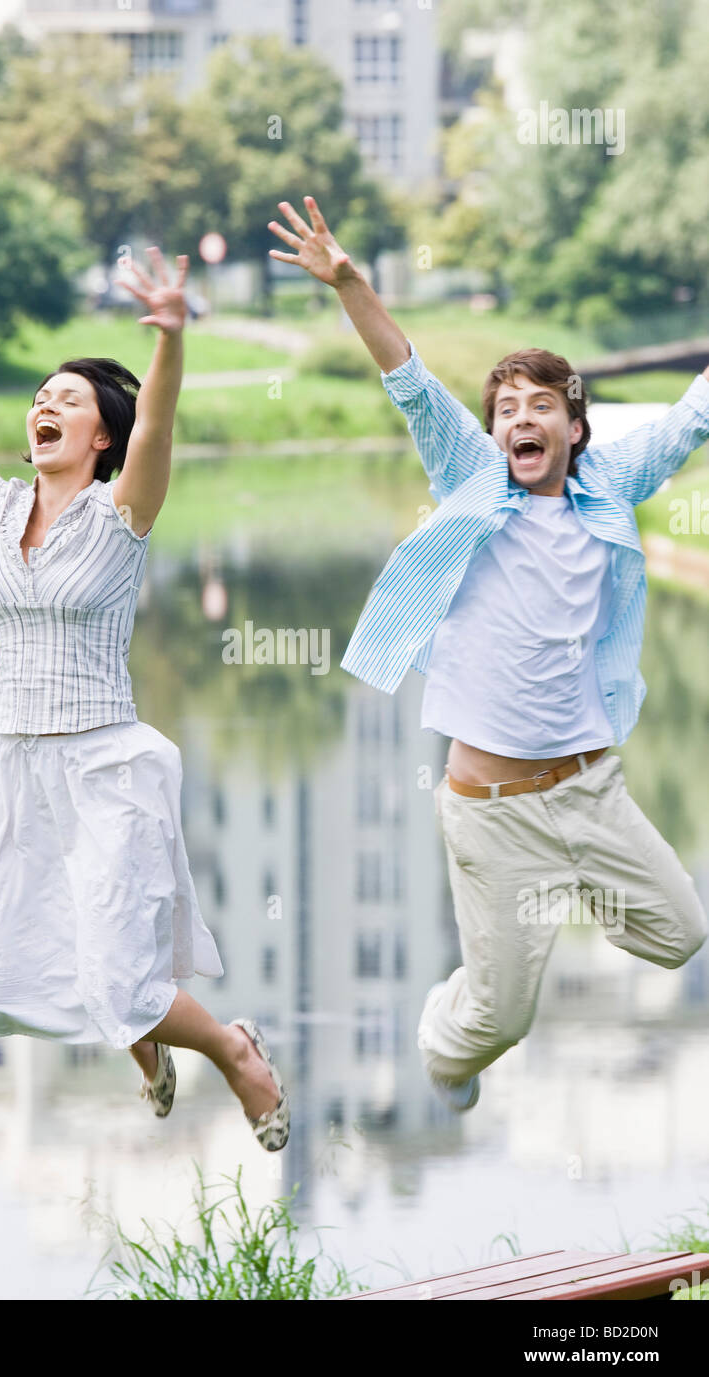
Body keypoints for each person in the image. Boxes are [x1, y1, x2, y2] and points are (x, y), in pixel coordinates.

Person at [269, 195, 709, 1111]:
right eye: (506, 407)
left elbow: (688, 420)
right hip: (493, 810)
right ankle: (443, 1038)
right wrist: (351, 283)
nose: (521, 418)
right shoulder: (470, 477)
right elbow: (408, 377)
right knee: (498, 1020)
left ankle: (564, 892)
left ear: (574, 429)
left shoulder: (611, 487)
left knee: (680, 933)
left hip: (591, 791)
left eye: (540, 405)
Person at [0, 246, 288, 1152]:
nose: (45, 405)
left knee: (118, 967)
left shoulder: (123, 515)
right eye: (40, 396)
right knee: (16, 969)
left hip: (102, 762)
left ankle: (234, 1052)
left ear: (101, 440)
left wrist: (170, 336)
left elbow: (159, 425)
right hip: (16, 763)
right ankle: (145, 1043)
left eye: (69, 400)